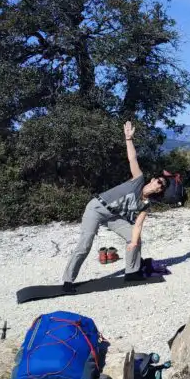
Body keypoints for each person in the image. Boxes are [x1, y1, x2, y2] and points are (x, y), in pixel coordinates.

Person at [62, 121, 169, 290]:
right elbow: (132, 158)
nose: (159, 185)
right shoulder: (138, 180)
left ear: (160, 191)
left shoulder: (146, 204)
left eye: (162, 186)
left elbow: (138, 225)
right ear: (152, 179)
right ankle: (68, 281)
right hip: (96, 208)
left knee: (135, 238)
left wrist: (133, 243)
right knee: (85, 245)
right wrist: (128, 139)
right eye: (159, 181)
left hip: (113, 217)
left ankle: (131, 272)